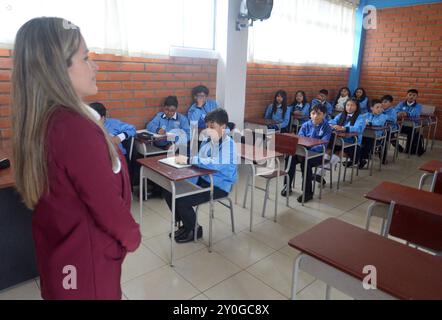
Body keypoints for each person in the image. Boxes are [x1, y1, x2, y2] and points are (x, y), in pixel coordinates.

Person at [11, 17, 141, 300]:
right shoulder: (74, 128)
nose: (94, 66)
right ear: (57, 69)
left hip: (63, 260)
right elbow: (107, 205)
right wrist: (132, 237)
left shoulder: (46, 120)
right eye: (85, 58)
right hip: (84, 269)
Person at [164, 109, 237, 243]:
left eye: (212, 127)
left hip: (219, 186)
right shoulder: (208, 141)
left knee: (182, 200)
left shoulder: (229, 145)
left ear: (223, 126)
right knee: (169, 191)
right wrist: (187, 160)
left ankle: (194, 230)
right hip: (202, 179)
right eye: (207, 127)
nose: (208, 130)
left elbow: (215, 164)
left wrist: (189, 160)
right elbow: (200, 159)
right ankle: (187, 225)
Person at [281, 104, 332, 203]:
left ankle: (307, 192)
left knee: (306, 162)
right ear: (310, 114)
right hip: (303, 152)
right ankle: (287, 185)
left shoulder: (327, 127)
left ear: (324, 115)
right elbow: (300, 139)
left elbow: (323, 145)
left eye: (319, 114)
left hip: (317, 154)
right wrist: (303, 150)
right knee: (289, 157)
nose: (315, 116)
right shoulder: (305, 125)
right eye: (313, 113)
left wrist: (309, 150)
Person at [329, 98, 367, 167]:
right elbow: (332, 121)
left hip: (352, 142)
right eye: (347, 105)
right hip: (339, 140)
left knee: (339, 152)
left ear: (357, 107)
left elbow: (358, 128)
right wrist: (333, 125)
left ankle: (322, 172)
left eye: (352, 105)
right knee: (329, 148)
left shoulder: (360, 117)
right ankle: (323, 169)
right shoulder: (341, 115)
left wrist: (344, 128)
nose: (349, 107)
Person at [359, 99, 388, 169]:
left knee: (367, 143)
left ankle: (361, 160)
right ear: (372, 108)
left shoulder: (383, 116)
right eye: (377, 107)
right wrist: (362, 122)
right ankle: (358, 160)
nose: (379, 109)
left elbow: (378, 123)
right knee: (358, 142)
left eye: (381, 107)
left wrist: (369, 123)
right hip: (364, 135)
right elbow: (359, 119)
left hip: (376, 138)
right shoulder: (367, 114)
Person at [394, 89, 423, 154]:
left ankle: (409, 150)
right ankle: (399, 147)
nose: (411, 97)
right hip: (400, 125)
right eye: (410, 95)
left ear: (416, 97)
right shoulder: (401, 103)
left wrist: (407, 114)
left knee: (411, 132)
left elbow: (416, 113)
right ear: (406, 95)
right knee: (390, 132)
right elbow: (395, 110)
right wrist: (398, 112)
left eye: (414, 95)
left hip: (411, 126)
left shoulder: (418, 105)